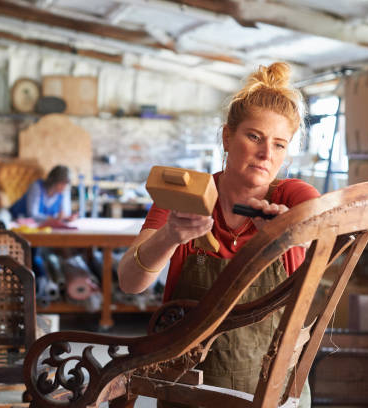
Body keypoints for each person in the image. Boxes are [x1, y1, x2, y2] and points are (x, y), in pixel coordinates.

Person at [118, 62, 319, 407]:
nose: (266, 154)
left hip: (269, 391)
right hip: (187, 389)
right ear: (228, 136)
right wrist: (169, 236)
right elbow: (130, 282)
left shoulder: (292, 195)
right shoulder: (186, 197)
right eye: (254, 136)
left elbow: (317, 229)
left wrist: (285, 234)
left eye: (279, 144)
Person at [9, 164, 76, 226]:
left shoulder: (63, 192)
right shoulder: (37, 187)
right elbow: (32, 214)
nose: (65, 186)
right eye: (62, 182)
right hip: (16, 218)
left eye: (67, 183)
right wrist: (54, 219)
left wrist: (67, 217)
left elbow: (65, 213)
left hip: (38, 226)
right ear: (53, 180)